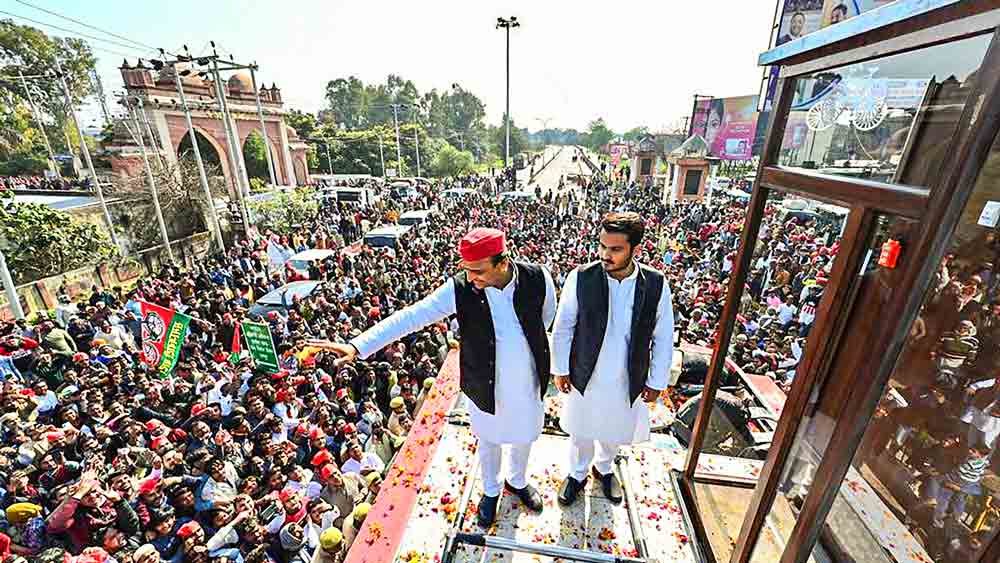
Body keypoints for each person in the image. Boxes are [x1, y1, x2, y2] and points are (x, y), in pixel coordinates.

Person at [311, 227, 556, 527]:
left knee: (524, 435)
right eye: (466, 270)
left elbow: (546, 318)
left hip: (528, 382)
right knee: (489, 441)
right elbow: (412, 316)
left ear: (502, 263)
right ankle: (491, 491)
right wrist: (357, 345)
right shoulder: (461, 288)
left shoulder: (538, 278)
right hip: (484, 384)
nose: (471, 278)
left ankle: (517, 481)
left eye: (478, 271)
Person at [551, 212, 674, 505]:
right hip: (586, 371)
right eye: (602, 246)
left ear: (636, 250)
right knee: (581, 429)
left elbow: (663, 335)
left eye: (616, 249)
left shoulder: (656, 284)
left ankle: (604, 468)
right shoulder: (581, 277)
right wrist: (561, 368)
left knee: (615, 428)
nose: (606, 254)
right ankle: (578, 473)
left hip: (627, 375)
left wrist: (657, 380)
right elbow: (563, 325)